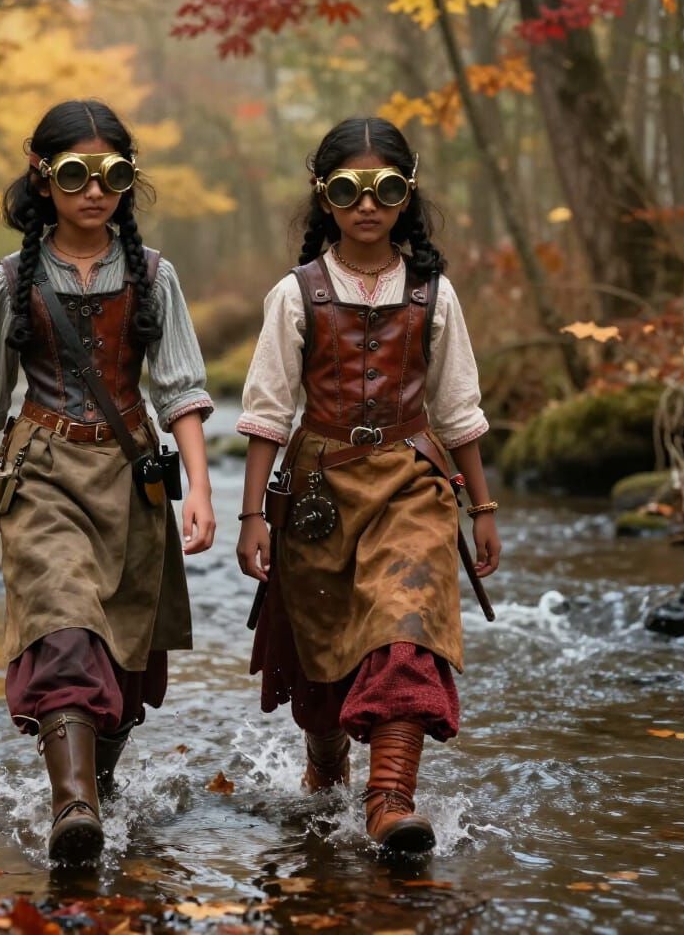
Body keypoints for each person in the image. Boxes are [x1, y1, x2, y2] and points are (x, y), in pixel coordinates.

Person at [0, 99, 215, 866]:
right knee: (63, 625)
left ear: (129, 182)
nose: (95, 191)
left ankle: (96, 786)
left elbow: (182, 391)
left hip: (134, 480)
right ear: (43, 178)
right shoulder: (9, 280)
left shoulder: (157, 275)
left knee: (123, 651)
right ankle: (73, 809)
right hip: (41, 476)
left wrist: (199, 486)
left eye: (113, 175)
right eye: (75, 174)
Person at [235, 117, 500, 854]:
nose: (367, 205)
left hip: (413, 483)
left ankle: (390, 801)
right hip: (317, 491)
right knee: (322, 659)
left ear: (406, 195)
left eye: (385, 188)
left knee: (407, 626)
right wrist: (253, 515)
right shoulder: (295, 295)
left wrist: (481, 508)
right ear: (324, 196)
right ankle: (327, 766)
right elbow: (265, 415)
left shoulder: (434, 295)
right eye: (348, 189)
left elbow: (459, 412)